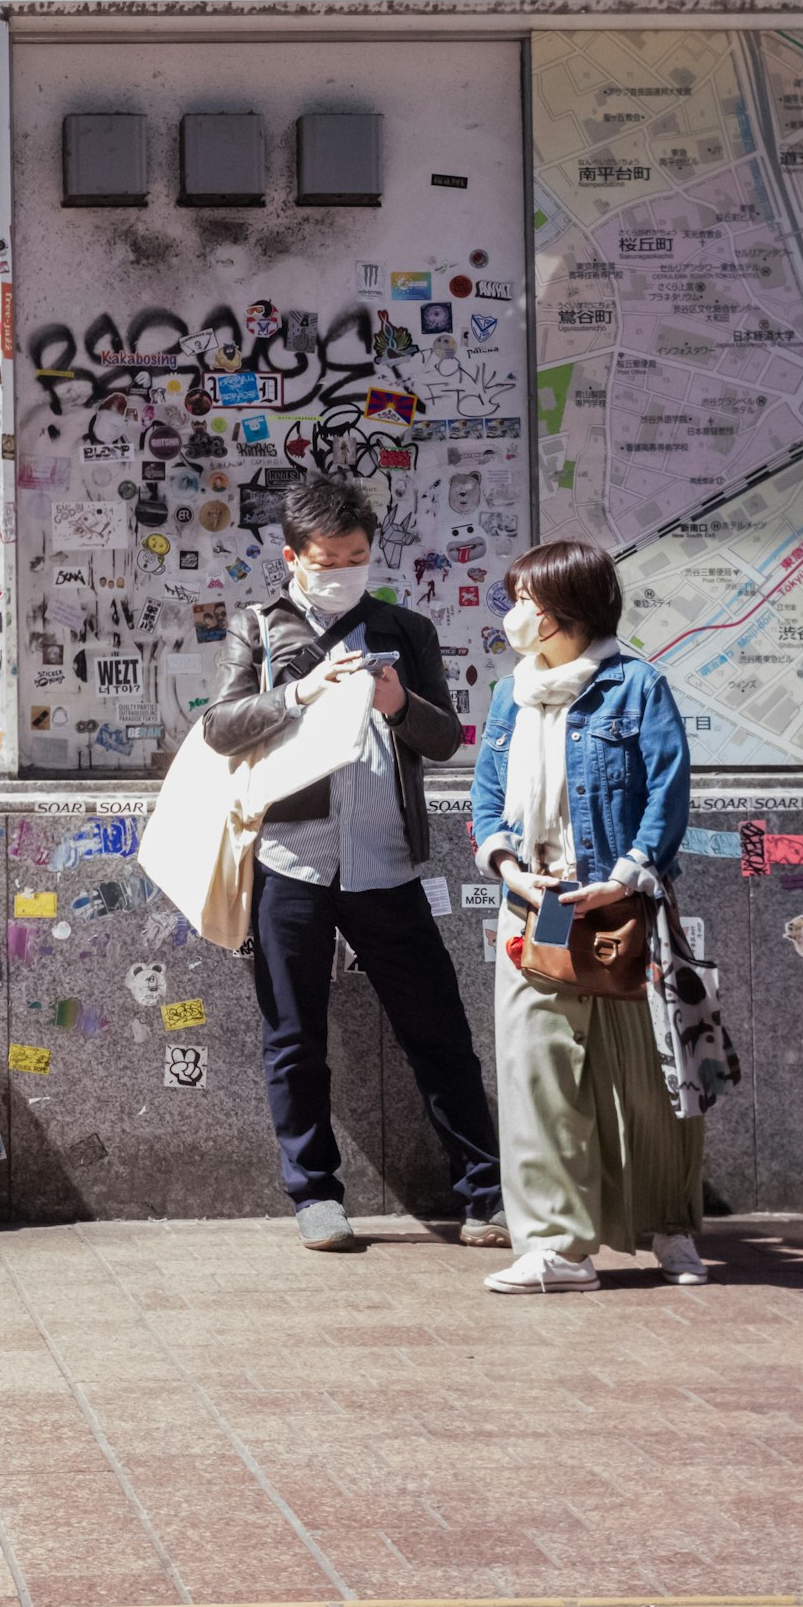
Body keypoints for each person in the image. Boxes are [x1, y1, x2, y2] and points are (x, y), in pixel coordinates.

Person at [197, 474, 506, 1251]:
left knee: (437, 1028)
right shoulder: (259, 626)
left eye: (357, 555)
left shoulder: (404, 626)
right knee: (293, 1036)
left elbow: (444, 741)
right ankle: (315, 1195)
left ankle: (484, 1193)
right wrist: (299, 694)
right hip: (289, 861)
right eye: (328, 558)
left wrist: (398, 704)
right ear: (294, 556)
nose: (343, 570)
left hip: (386, 862)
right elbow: (220, 728)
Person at [467, 538, 702, 1293]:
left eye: (528, 599)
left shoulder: (636, 686)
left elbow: (668, 789)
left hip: (622, 906)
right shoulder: (512, 693)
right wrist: (506, 868)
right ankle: (558, 1249)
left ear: (567, 607)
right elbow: (487, 793)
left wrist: (631, 873)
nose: (517, 614)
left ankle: (669, 1228)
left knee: (646, 1080)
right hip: (537, 906)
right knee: (536, 1075)